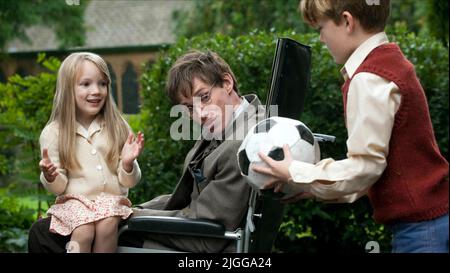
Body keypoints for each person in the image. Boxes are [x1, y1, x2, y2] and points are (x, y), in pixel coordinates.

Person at [253, 0, 449, 253]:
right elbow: (374, 173)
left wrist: (296, 171)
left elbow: (365, 168)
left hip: (422, 232)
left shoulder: (369, 78)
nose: (321, 39)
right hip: (432, 222)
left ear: (347, 21)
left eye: (321, 28)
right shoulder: (391, 62)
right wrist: (312, 186)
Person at [28, 50, 265, 253]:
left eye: (204, 97)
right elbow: (188, 202)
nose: (200, 113)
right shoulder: (234, 121)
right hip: (195, 229)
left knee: (44, 234)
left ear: (227, 82)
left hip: (202, 242)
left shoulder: (239, 144)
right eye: (190, 107)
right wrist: (134, 210)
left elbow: (209, 231)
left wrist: (127, 216)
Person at [30, 52, 144, 253]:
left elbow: (129, 182)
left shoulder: (117, 126)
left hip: (110, 202)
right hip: (75, 203)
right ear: (68, 89)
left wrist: (127, 164)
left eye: (102, 83)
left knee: (107, 224)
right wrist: (50, 175)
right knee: (83, 230)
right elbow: (59, 187)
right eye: (86, 84)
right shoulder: (54, 132)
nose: (96, 91)